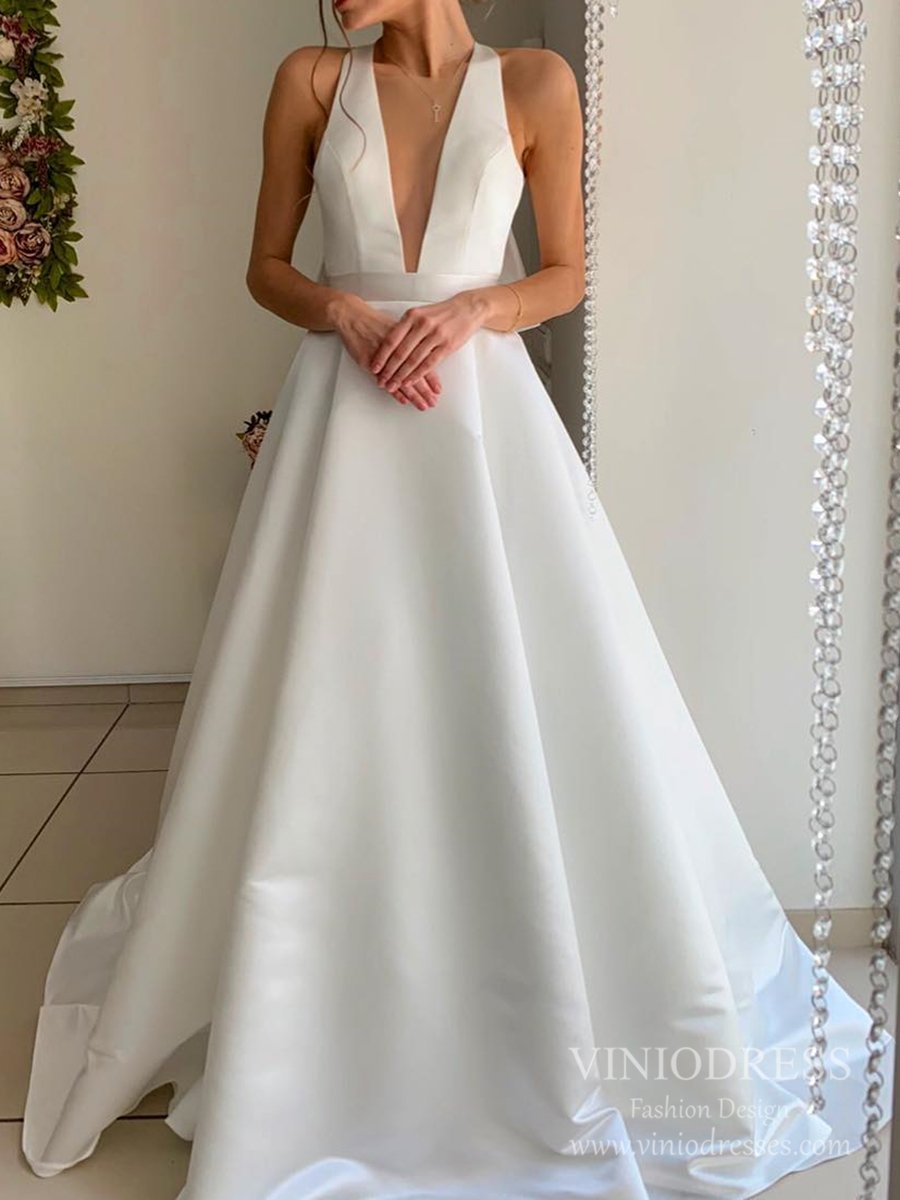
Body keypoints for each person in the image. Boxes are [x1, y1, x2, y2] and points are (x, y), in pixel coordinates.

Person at [21, 2, 895, 1197]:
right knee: (326, 706)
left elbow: (566, 272)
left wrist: (476, 308)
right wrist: (344, 309)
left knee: (522, 696)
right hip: (343, 423)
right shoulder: (310, 80)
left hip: (482, 425)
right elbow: (264, 266)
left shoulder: (535, 83)